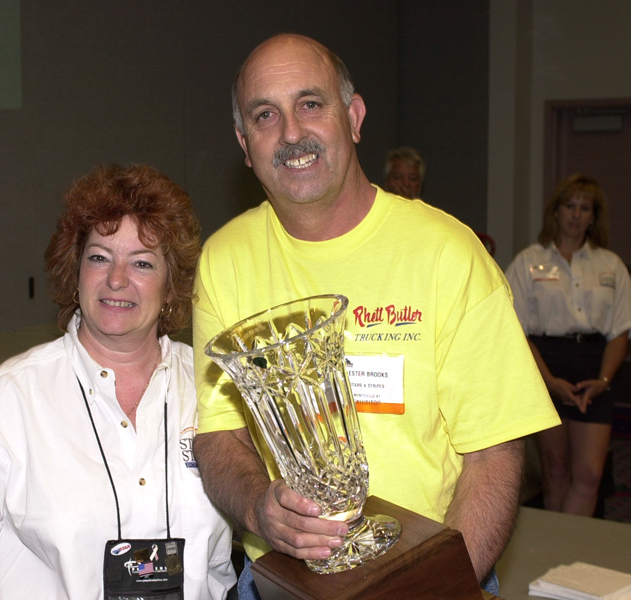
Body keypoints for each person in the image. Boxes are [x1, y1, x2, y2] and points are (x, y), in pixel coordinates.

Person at [192, 33, 560, 598]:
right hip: (286, 582)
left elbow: (494, 454)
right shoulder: (225, 261)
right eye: (265, 115)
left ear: (354, 117)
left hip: (433, 573)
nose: (290, 132)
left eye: (310, 103)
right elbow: (219, 436)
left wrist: (435, 588)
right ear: (245, 144)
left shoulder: (448, 254)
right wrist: (257, 508)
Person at [0, 164, 236, 599]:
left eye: (142, 262)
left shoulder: (216, 390)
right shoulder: (3, 401)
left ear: (171, 284)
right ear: (75, 270)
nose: (116, 279)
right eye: (99, 257)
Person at [505, 174, 631, 517]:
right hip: (544, 365)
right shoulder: (528, 261)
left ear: (594, 217)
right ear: (556, 211)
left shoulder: (610, 264)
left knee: (589, 474)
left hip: (595, 369)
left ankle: (573, 543)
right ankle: (558, 545)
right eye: (570, 206)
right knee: (555, 469)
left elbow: (622, 330)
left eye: (585, 208)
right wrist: (549, 382)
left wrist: (603, 381)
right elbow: (515, 331)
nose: (576, 214)